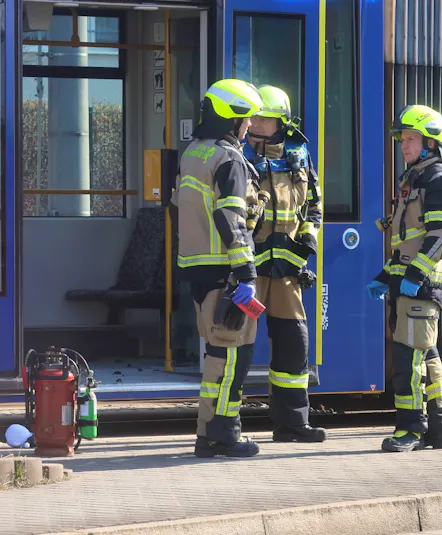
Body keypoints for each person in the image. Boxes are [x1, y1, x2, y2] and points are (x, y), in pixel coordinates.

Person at [173, 78, 267, 458]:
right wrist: (244, 271)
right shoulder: (228, 159)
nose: (249, 128)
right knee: (233, 355)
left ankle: (207, 434)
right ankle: (224, 433)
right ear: (232, 120)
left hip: (198, 270)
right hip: (225, 271)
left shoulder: (193, 152)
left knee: (216, 353)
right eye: (246, 121)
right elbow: (231, 217)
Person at [368, 104, 442, 452]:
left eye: (411, 139)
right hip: (409, 284)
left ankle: (411, 429)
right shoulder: (413, 178)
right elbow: (405, 243)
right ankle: (438, 429)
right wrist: (385, 276)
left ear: (431, 143)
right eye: (402, 139)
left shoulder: (438, 179)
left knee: (409, 360)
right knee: (427, 355)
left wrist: (416, 275)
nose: (403, 146)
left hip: (422, 285)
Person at [241, 84, 327, 443]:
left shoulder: (299, 153)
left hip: (288, 270)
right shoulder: (239, 153)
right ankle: (226, 429)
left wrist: (308, 239)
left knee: (294, 343)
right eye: (254, 116)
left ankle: (293, 424)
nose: (255, 121)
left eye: (263, 116)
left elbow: (314, 207)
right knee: (238, 343)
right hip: (249, 269)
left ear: (280, 120)